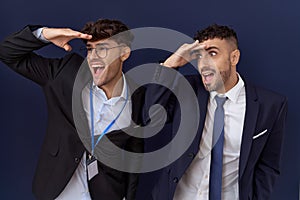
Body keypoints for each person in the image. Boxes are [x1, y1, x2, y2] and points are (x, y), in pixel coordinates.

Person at [0, 19, 144, 200]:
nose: (93, 57)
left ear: (124, 53)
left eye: (103, 49)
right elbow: (7, 52)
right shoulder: (64, 73)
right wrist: (44, 34)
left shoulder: (138, 94)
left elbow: (134, 152)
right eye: (90, 49)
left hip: (108, 192)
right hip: (58, 190)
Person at [147, 24, 288, 200]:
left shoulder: (271, 105)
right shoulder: (186, 89)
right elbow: (150, 118)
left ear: (234, 57)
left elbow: (268, 166)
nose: (203, 64)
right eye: (199, 56)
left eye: (212, 54)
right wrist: (170, 65)